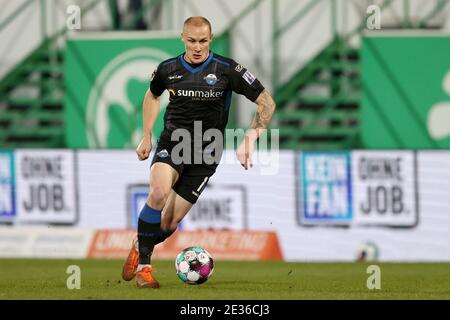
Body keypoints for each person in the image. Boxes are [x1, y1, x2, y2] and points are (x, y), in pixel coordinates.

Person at [121, 16, 276, 288]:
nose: (197, 47)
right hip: (173, 144)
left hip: (206, 155)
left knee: (168, 224)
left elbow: (266, 102)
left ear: (211, 39)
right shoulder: (167, 69)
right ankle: (145, 269)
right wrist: (146, 136)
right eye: (191, 40)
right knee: (158, 193)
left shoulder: (228, 70)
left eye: (203, 41)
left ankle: (139, 244)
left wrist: (251, 138)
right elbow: (152, 95)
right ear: (182, 38)